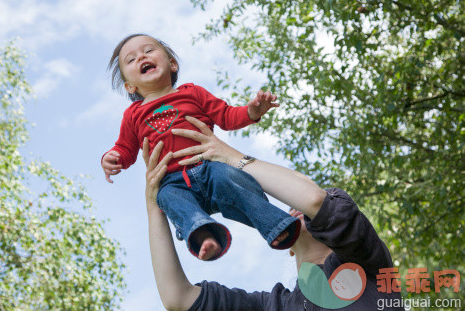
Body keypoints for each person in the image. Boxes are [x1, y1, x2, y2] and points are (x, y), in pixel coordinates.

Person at [144, 116, 403, 310]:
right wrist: (155, 202)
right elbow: (177, 298)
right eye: (292, 207)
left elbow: (313, 199)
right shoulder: (276, 305)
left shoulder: (364, 263)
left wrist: (231, 157)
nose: (296, 207)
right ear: (289, 249)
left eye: (301, 207)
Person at [101, 34, 299, 261]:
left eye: (148, 50)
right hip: (173, 181)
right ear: (129, 86)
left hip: (210, 168)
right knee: (166, 197)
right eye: (131, 59)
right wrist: (112, 157)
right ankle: (203, 235)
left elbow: (226, 116)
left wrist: (252, 111)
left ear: (172, 64)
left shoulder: (192, 93)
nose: (141, 57)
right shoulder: (133, 114)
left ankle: (275, 223)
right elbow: (125, 148)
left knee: (231, 178)